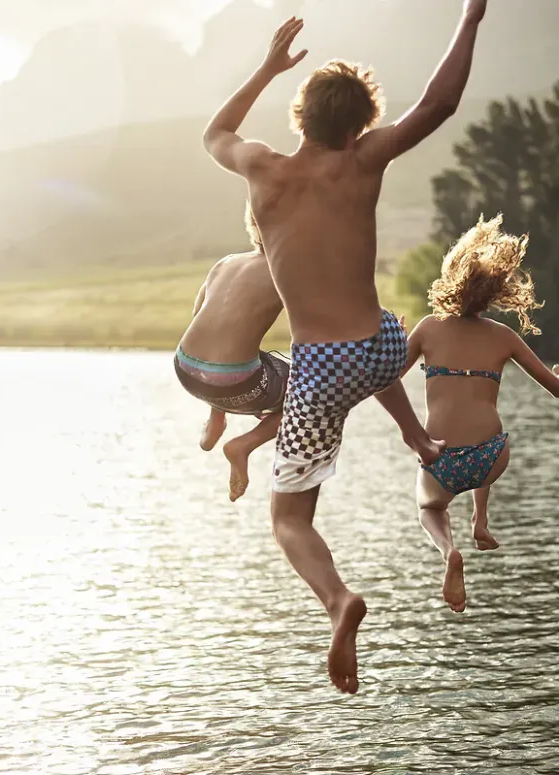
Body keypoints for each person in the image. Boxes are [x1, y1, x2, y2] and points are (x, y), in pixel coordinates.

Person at [202, 0, 488, 694]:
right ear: (360, 125)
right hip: (384, 346)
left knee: (289, 516)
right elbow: (440, 103)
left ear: (301, 113)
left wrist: (269, 66)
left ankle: (339, 601)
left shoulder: (264, 170)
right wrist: (472, 17)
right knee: (375, 349)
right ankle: (418, 440)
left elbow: (215, 132)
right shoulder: (365, 162)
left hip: (323, 366)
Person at [399, 214, 559, 614]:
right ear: (496, 294)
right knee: (481, 445)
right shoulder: (504, 337)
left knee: (430, 508)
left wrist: (392, 344)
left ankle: (449, 551)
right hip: (492, 457)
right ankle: (480, 521)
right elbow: (555, 389)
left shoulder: (428, 328)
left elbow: (386, 377)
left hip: (440, 459)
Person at [175, 204, 289, 502]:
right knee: (311, 389)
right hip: (233, 381)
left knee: (235, 351)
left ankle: (216, 419)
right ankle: (244, 445)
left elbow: (199, 313)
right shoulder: (287, 271)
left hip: (185, 367)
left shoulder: (226, 262)